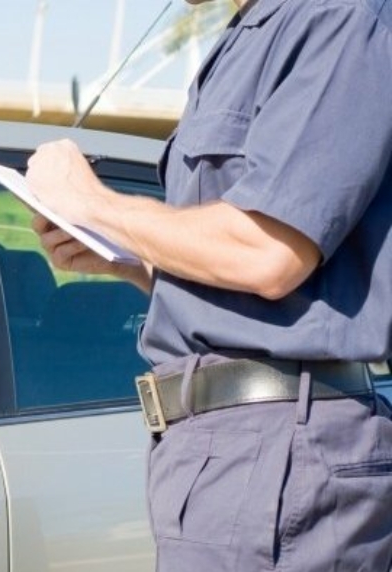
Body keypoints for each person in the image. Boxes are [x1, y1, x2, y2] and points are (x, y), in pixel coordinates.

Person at [25, 0, 392, 570]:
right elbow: (247, 286)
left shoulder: (334, 16)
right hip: (223, 447)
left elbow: (269, 254)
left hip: (278, 446)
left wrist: (94, 203)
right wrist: (130, 261)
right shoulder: (249, 35)